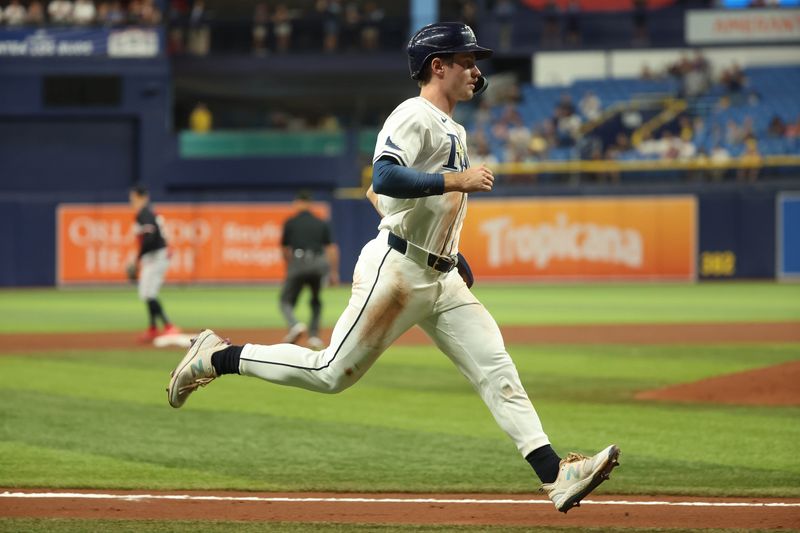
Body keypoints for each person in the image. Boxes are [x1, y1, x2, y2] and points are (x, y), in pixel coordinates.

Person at [166, 22, 619, 514]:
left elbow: (386, 197)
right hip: (398, 271)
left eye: (475, 61)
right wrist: (455, 179)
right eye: (465, 60)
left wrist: (450, 253)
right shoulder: (414, 113)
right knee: (328, 373)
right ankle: (217, 356)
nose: (475, 69)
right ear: (436, 66)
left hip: (438, 276)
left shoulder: (453, 127)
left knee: (495, 366)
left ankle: (555, 475)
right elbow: (382, 174)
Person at [279, 190, 340, 350]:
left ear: (298, 203)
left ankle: (295, 325)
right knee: (316, 300)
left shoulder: (291, 222)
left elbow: (285, 249)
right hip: (319, 263)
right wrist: (333, 272)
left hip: (299, 261)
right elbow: (332, 249)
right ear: (310, 204)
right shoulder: (320, 222)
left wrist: (290, 267)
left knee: (285, 300)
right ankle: (314, 337)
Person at [127, 185, 180, 342]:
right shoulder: (148, 213)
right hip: (154, 256)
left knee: (149, 293)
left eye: (134, 197)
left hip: (157, 256)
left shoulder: (144, 213)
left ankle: (169, 326)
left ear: (141, 197)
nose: (132, 200)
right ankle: (153, 328)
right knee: (146, 293)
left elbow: (150, 237)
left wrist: (137, 259)